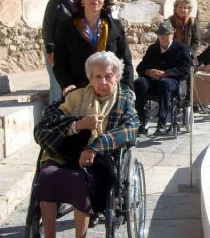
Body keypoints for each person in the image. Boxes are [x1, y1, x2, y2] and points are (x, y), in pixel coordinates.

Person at [33, 51, 139, 238]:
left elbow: (130, 129)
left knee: (80, 179)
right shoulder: (76, 97)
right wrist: (77, 125)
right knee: (47, 174)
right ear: (90, 78)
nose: (103, 82)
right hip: (65, 152)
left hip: (99, 158)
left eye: (108, 76)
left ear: (117, 77)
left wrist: (94, 146)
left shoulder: (125, 98)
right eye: (97, 77)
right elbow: (47, 125)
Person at [54, 0, 134, 96]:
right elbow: (60, 63)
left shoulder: (115, 27)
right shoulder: (67, 28)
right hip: (79, 92)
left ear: (104, 1)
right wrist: (67, 84)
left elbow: (126, 61)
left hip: (111, 91)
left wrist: (128, 87)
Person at [135, 21, 193, 135]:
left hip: (172, 81)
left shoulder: (182, 48)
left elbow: (187, 68)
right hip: (153, 81)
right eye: (160, 37)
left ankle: (162, 122)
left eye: (165, 37)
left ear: (172, 35)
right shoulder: (153, 48)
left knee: (164, 83)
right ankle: (141, 119)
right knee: (139, 82)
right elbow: (140, 67)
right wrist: (148, 71)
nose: (162, 39)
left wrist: (166, 73)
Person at [42, 0, 82, 103]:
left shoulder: (81, 4)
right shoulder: (55, 3)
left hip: (72, 50)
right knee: (56, 83)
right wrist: (50, 49)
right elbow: (47, 27)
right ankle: (53, 116)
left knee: (70, 83)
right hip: (56, 49)